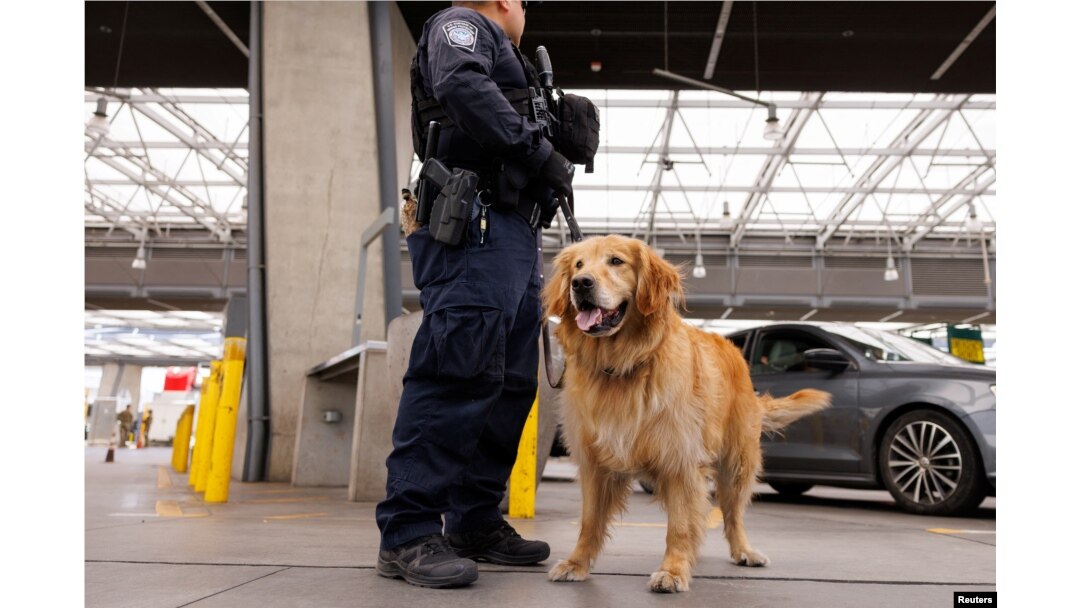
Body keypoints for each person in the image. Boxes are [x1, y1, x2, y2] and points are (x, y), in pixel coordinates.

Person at [375, 0, 574, 589]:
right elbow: (461, 86)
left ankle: (473, 521)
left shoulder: (508, 55)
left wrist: (555, 136)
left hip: (513, 230)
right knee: (456, 371)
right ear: (507, 1)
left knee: (510, 382)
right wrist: (541, 152)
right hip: (473, 224)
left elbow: (498, 112)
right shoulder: (462, 27)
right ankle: (408, 532)